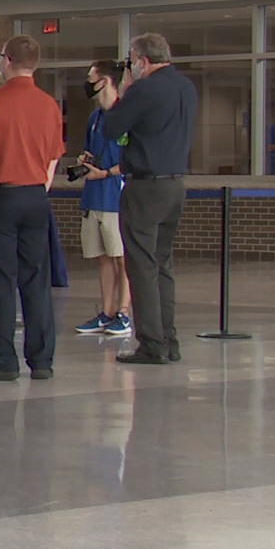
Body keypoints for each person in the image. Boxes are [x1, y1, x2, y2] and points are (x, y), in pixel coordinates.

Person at [0, 35, 63, 382]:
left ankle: (3, 359)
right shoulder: (49, 105)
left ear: (6, 61)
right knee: (36, 279)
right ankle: (42, 360)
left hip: (1, 198)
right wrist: (38, 189)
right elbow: (52, 158)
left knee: (2, 280)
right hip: (36, 197)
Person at [101, 32, 197, 366]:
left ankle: (152, 343)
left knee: (141, 266)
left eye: (132, 61)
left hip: (145, 186)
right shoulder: (187, 87)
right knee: (162, 264)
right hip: (175, 185)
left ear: (142, 61)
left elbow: (112, 128)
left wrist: (120, 95)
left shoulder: (142, 89)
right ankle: (169, 339)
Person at [74, 59, 132, 338]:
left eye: (91, 77)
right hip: (93, 198)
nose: (88, 83)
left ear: (106, 81)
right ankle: (106, 311)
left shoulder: (127, 116)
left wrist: (106, 172)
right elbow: (88, 148)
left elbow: (134, 159)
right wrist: (85, 161)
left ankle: (124, 312)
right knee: (102, 258)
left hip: (115, 198)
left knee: (121, 257)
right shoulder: (95, 118)